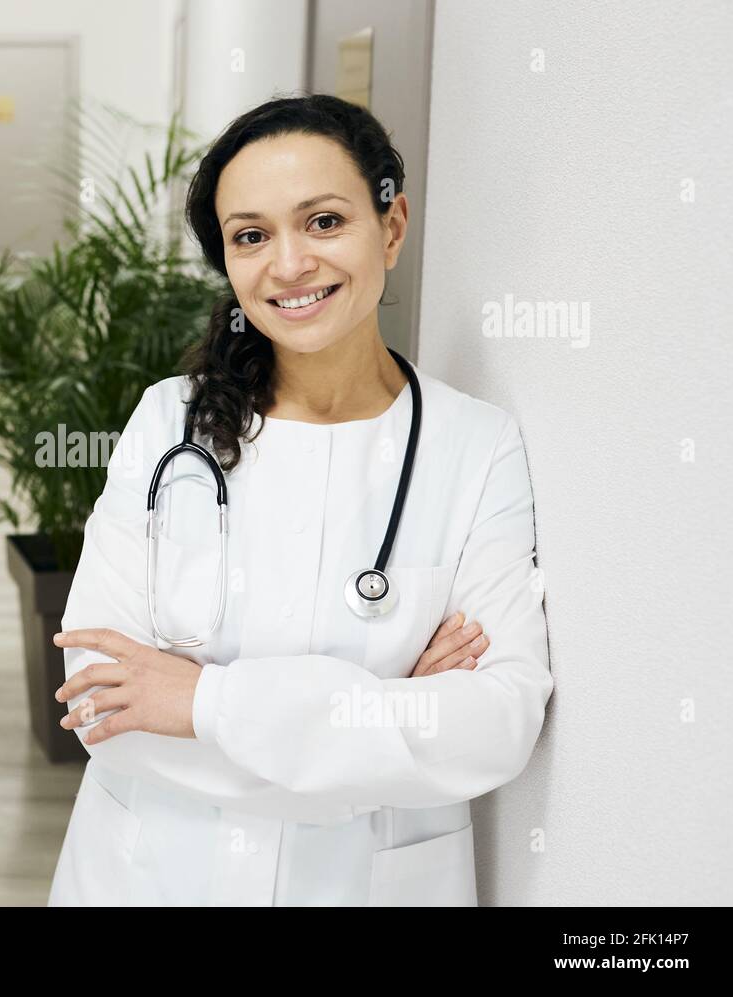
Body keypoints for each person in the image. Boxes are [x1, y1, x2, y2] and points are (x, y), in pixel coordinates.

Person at [46, 93, 554, 906]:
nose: (288, 264)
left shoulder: (477, 445)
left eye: (323, 221)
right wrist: (387, 722)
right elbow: (101, 695)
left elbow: (496, 724)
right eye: (251, 235)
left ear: (391, 226)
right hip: (152, 872)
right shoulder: (165, 422)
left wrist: (200, 699)